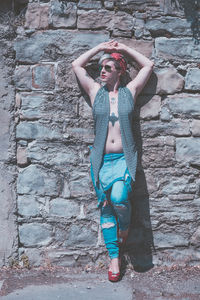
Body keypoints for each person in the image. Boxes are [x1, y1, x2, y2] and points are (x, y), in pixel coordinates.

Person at [72, 40, 154, 282]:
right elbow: (76, 65)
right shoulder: (95, 92)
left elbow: (149, 65)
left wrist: (125, 49)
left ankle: (125, 229)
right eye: (101, 69)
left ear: (120, 70)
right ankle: (114, 257)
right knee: (106, 206)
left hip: (124, 158)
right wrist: (99, 48)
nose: (103, 72)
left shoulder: (130, 93)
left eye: (108, 68)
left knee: (119, 197)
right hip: (101, 160)